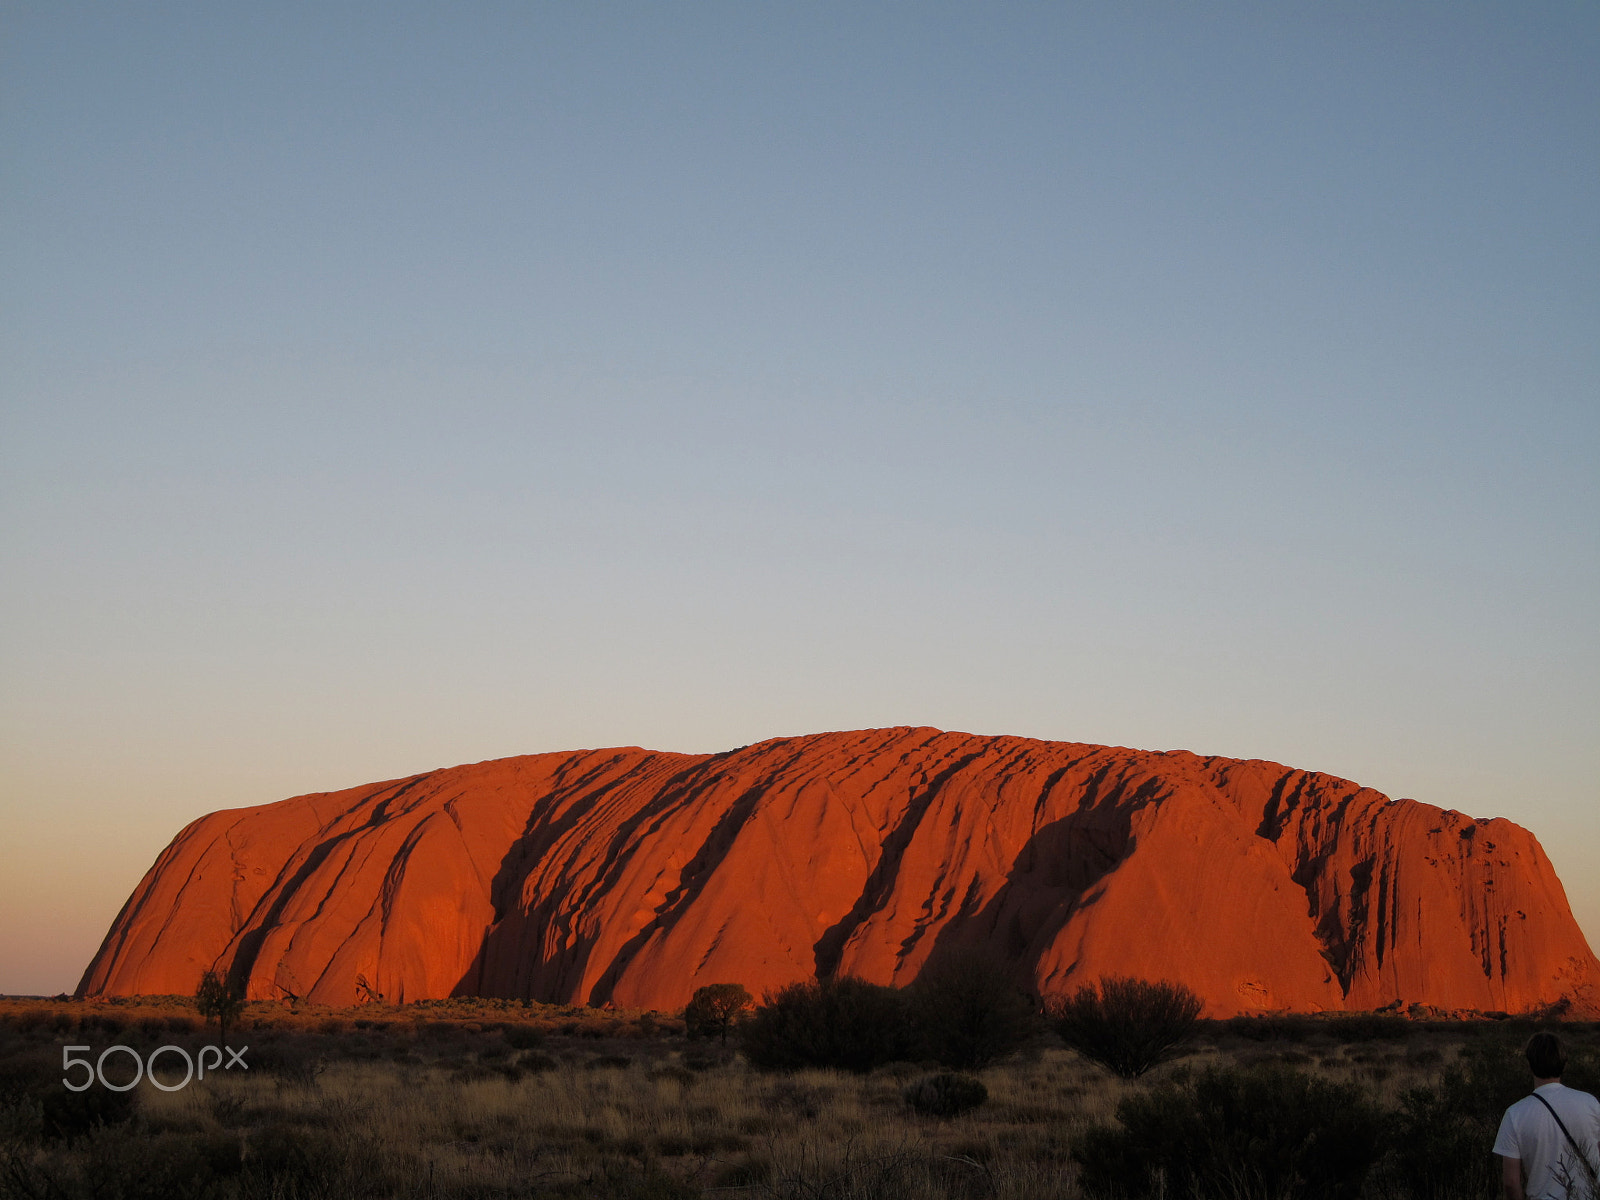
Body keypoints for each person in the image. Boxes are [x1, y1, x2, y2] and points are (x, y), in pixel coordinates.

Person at [1494, 1031, 1600, 1200]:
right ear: (1564, 1063)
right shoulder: (1591, 1103)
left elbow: (1511, 1182)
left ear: (1530, 1064)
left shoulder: (1515, 1114)